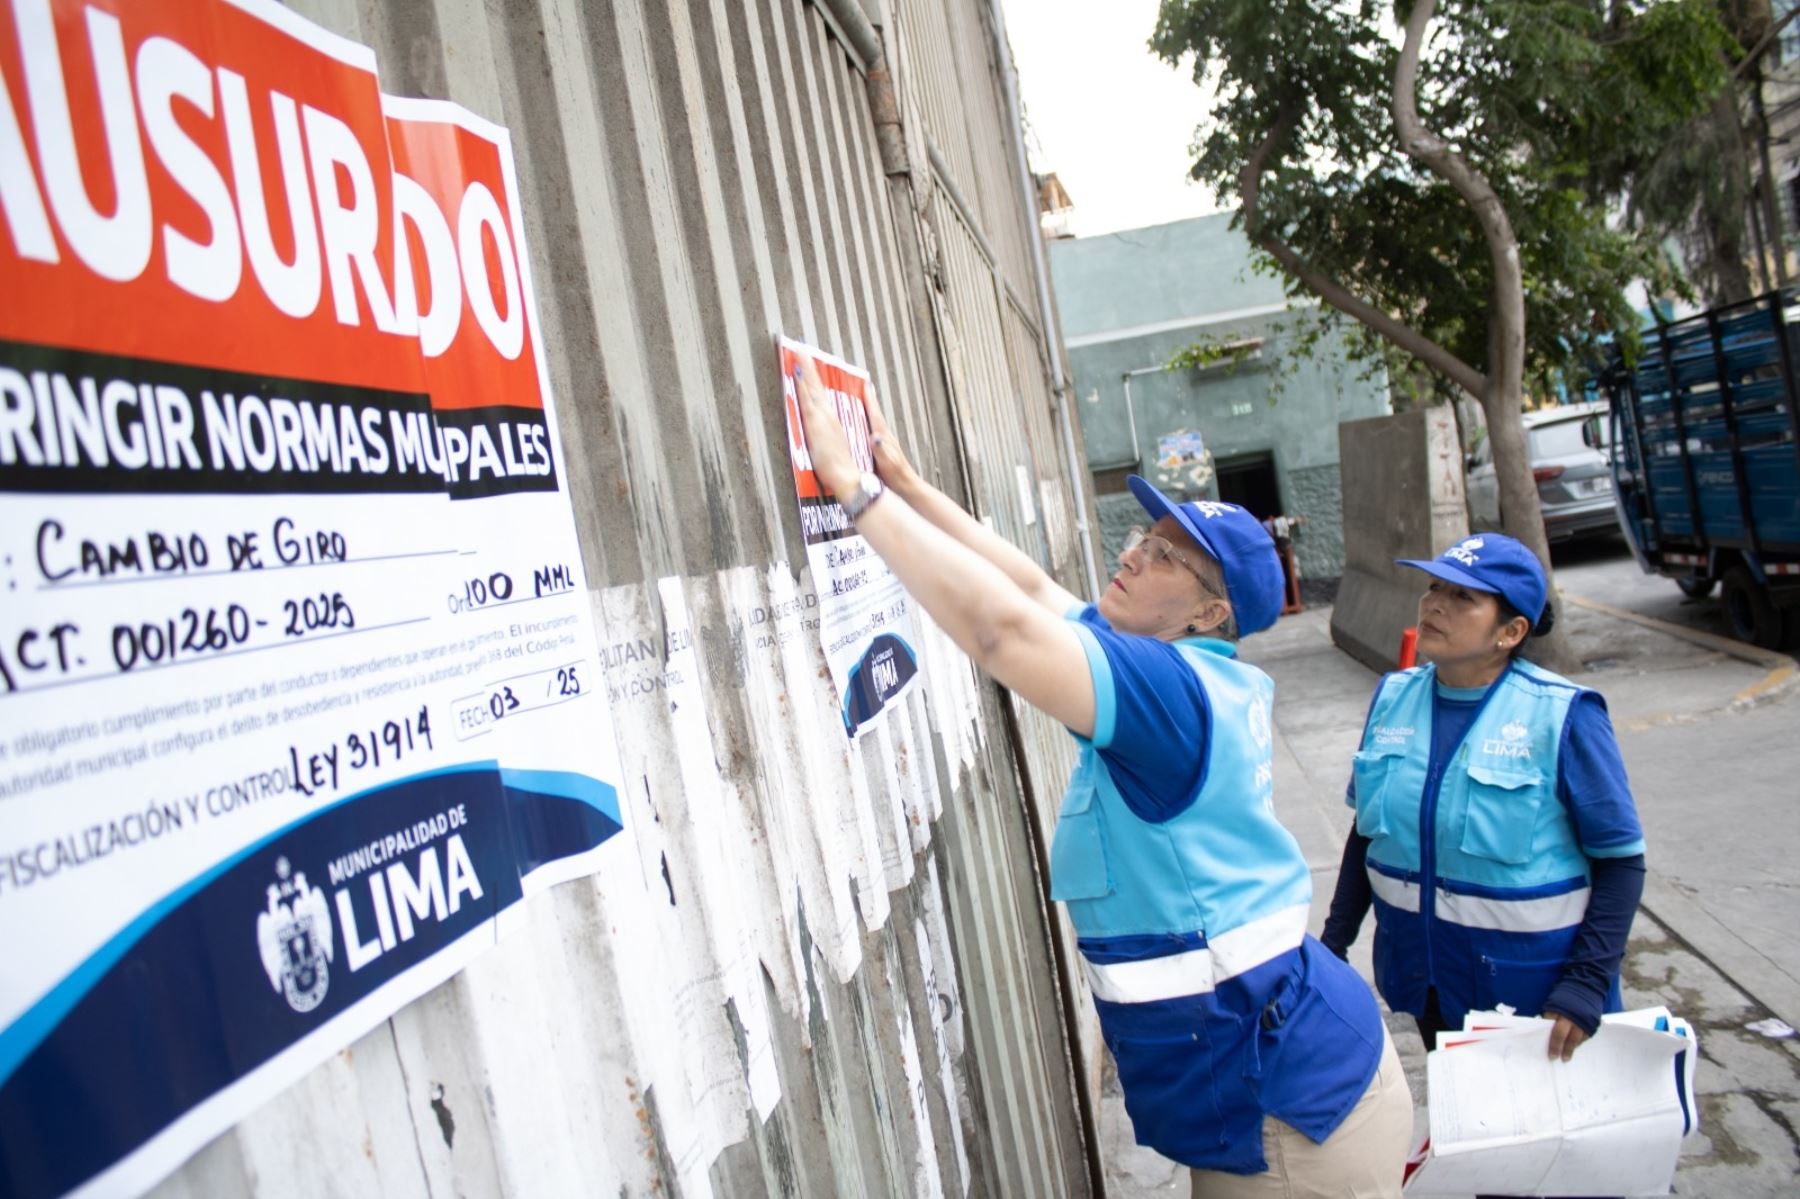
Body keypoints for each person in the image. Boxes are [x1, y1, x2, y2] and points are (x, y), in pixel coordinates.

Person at [792, 356, 1411, 1197]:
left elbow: (1004, 632)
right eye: (1143, 534)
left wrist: (854, 495)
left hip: (1292, 1116)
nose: (1133, 553)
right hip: (1283, 1071)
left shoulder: (1168, 692)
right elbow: (1031, 585)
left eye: (1163, 556)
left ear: (1210, 613)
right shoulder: (1183, 671)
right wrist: (904, 484)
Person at [1321, 534, 1647, 1068]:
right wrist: (1333, 945)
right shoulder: (1392, 697)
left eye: (1463, 597)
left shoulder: (1563, 716)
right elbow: (1368, 834)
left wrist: (1585, 985)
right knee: (1472, 1137)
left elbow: (1621, 861)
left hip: (1537, 1002)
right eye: (1433, 587)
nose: (1434, 604)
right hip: (1426, 982)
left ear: (1511, 631)